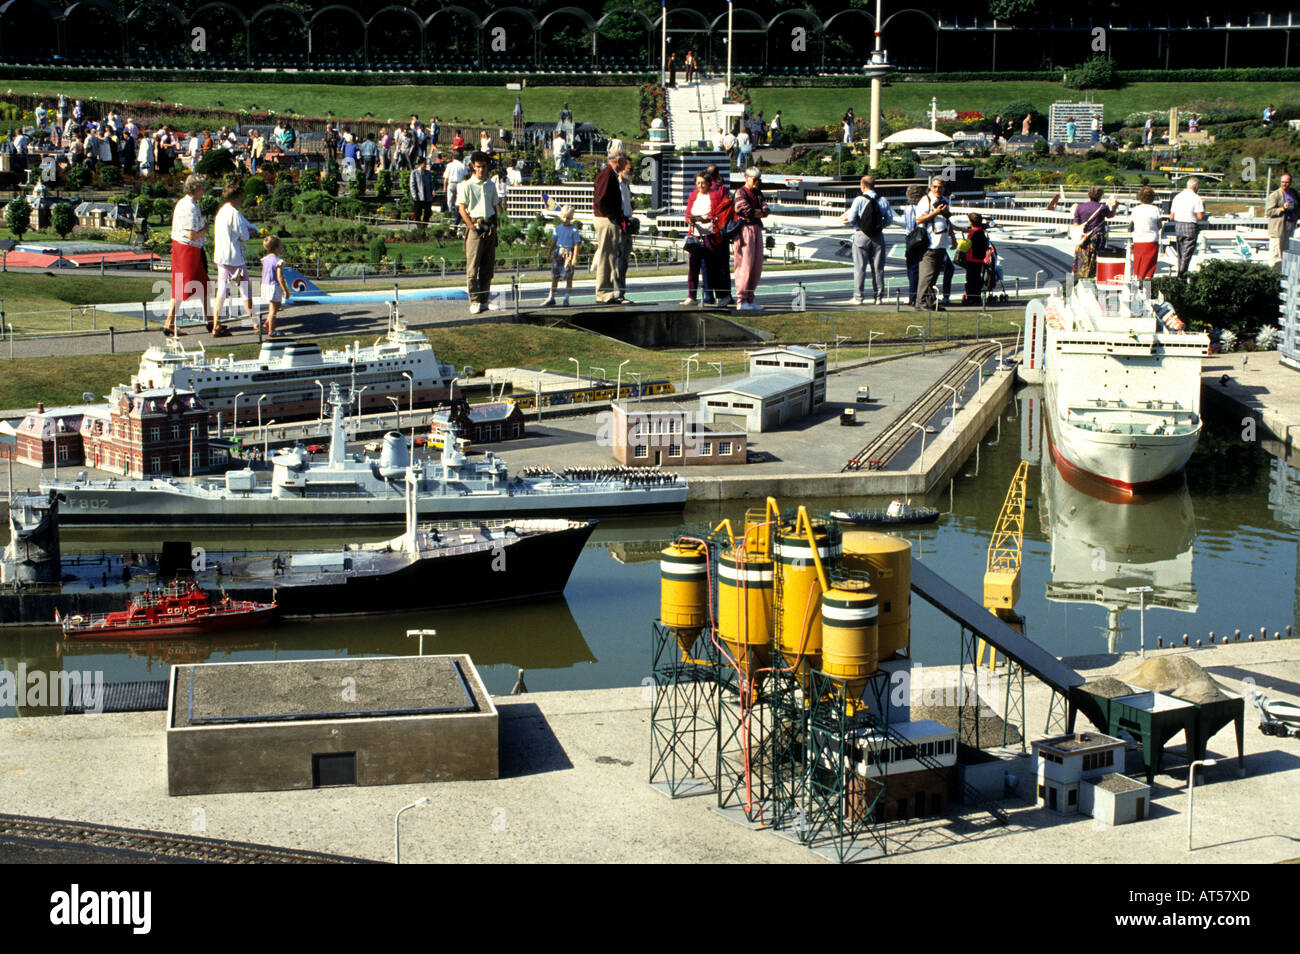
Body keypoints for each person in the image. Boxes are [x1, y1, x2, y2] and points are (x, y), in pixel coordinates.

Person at [163, 175, 209, 337]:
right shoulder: (190, 207)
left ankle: (209, 319)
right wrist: (205, 229)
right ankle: (170, 322)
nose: (204, 191)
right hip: (188, 249)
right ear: (195, 189)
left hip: (181, 248)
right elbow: (191, 235)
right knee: (183, 287)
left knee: (200, 285)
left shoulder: (183, 203)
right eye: (202, 188)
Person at [211, 183, 258, 337]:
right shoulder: (235, 214)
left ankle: (216, 324)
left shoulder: (222, 212)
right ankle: (255, 324)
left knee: (222, 292)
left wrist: (251, 229)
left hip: (221, 257)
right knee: (245, 291)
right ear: (237, 197)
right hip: (236, 258)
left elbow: (245, 225)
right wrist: (253, 232)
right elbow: (244, 234)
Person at [457, 151, 501, 314]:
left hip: (489, 226)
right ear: (473, 168)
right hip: (475, 226)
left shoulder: (490, 184)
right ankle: (474, 300)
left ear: (487, 167)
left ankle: (484, 299)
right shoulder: (467, 185)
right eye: (478, 167)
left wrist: (495, 227)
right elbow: (462, 209)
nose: (481, 170)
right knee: (473, 268)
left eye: (484, 166)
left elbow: (495, 207)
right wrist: (471, 226)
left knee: (487, 267)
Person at [842, 175, 894, 305]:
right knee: (878, 268)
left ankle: (858, 297)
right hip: (878, 236)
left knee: (860, 268)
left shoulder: (859, 200)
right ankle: (878, 297)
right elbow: (889, 220)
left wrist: (860, 225)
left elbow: (852, 218)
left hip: (861, 235)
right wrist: (879, 226)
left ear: (862, 185)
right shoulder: (882, 200)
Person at [682, 171, 726, 306]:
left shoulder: (714, 195)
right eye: (698, 183)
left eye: (703, 183)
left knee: (712, 267)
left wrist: (708, 219)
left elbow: (719, 213)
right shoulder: (693, 195)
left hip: (710, 235)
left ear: (708, 183)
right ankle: (691, 296)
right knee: (693, 267)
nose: (700, 185)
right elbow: (688, 212)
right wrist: (689, 220)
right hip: (695, 235)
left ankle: (721, 296)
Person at [731, 167, 770, 311]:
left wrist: (758, 212)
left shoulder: (758, 193)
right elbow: (743, 210)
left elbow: (765, 209)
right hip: (744, 230)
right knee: (744, 265)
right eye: (755, 179)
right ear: (746, 178)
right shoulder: (740, 192)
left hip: (756, 228)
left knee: (756, 265)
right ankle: (741, 300)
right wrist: (759, 212)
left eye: (759, 179)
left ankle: (750, 298)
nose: (758, 182)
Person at [593, 149, 628, 304]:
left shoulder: (610, 174)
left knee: (609, 257)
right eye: (624, 159)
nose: (626, 162)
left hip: (608, 219)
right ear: (617, 159)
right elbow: (600, 200)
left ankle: (607, 291)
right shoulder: (608, 175)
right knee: (606, 257)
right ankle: (603, 292)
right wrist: (612, 216)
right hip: (606, 220)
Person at [915, 177, 954, 311]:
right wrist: (936, 212)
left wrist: (953, 238)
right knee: (927, 275)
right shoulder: (925, 200)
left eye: (941, 187)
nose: (938, 189)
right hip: (929, 244)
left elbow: (947, 221)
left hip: (941, 244)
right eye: (935, 187)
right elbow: (919, 220)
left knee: (934, 276)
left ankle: (930, 301)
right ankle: (920, 302)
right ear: (931, 187)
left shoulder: (945, 200)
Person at [1070, 185, 1117, 279]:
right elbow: (1110, 215)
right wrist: (1114, 207)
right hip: (1097, 239)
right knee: (1094, 261)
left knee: (1080, 261)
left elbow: (1075, 223)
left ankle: (1073, 285)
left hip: (1083, 239)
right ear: (1100, 196)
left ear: (1089, 195)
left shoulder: (1080, 207)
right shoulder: (1102, 207)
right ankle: (1091, 281)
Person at [542, 205, 580, 307]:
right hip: (558, 253)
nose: (565, 220)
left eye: (567, 218)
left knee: (568, 277)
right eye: (563, 217)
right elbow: (554, 242)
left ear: (571, 218)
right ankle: (551, 297)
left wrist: (574, 258)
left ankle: (566, 298)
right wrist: (549, 252)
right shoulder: (557, 228)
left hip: (568, 254)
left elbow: (576, 245)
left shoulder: (574, 230)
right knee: (555, 276)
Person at [1170, 177, 1206, 279]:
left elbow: (1171, 217)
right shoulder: (1196, 198)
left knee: (1181, 253)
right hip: (1190, 226)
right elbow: (1199, 217)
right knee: (1187, 254)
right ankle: (1181, 276)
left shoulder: (1177, 197)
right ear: (1196, 186)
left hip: (1178, 226)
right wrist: (1205, 216)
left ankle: (1180, 273)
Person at [1265, 172, 1298, 269]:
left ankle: (1283, 274)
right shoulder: (1275, 195)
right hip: (1277, 229)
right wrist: (1282, 208)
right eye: (1283, 182)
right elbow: (1269, 211)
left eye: (1287, 182)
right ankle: (1274, 274)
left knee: (1286, 252)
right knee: (1276, 254)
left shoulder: (1295, 194)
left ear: (1291, 182)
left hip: (1289, 226)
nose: (1284, 184)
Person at [901, 185, 927, 305]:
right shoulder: (923, 207)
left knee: (912, 269)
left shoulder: (908, 208)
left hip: (912, 239)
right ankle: (921, 295)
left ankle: (913, 296)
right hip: (923, 238)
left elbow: (910, 226)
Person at [260, 235, 290, 337]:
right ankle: (271, 331)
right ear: (277, 247)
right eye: (281, 246)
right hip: (274, 286)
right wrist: (285, 290)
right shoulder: (278, 261)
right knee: (273, 310)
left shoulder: (265, 259)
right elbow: (280, 277)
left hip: (265, 285)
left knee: (276, 304)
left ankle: (267, 323)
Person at [1129, 185, 1162, 280]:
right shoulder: (1155, 209)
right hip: (1151, 240)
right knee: (1150, 267)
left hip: (1138, 239)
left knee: (1138, 265)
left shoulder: (1136, 209)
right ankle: (1147, 290)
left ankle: (1136, 286)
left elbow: (1130, 224)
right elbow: (1159, 225)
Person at [615, 155, 635, 300]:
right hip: (619, 226)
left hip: (628, 226)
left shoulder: (626, 184)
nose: (632, 171)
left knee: (624, 262)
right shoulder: (616, 183)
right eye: (630, 168)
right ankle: (616, 292)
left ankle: (621, 292)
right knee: (617, 260)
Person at [959, 212, 989, 304]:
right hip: (979, 259)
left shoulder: (972, 232)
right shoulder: (981, 231)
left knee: (971, 279)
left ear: (971, 222)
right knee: (977, 278)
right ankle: (977, 297)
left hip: (971, 258)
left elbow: (967, 245)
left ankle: (971, 298)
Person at [443, 149, 468, 220]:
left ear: (453, 157)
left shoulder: (449, 165)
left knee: (450, 200)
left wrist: (444, 187)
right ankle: (459, 214)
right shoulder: (462, 166)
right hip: (460, 184)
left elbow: (446, 177)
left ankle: (450, 213)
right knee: (459, 200)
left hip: (451, 183)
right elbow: (466, 176)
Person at [409, 156, 434, 223]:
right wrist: (414, 195)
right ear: (420, 164)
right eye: (424, 163)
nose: (425, 165)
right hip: (419, 196)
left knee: (427, 213)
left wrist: (433, 191)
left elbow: (431, 183)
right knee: (418, 214)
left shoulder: (428, 173)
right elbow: (412, 184)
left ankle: (425, 227)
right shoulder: (414, 173)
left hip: (428, 196)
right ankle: (419, 228)